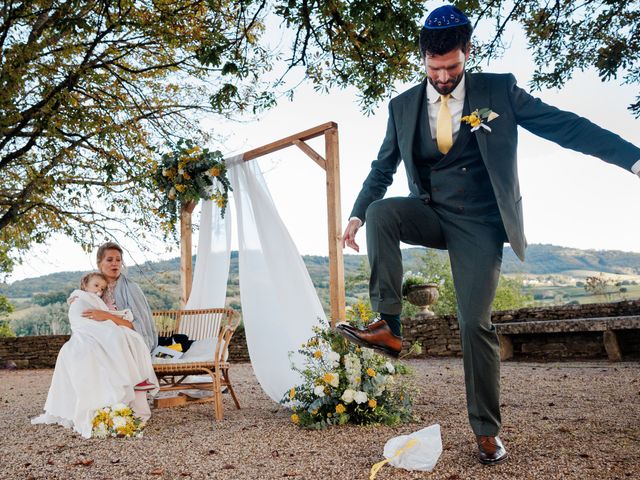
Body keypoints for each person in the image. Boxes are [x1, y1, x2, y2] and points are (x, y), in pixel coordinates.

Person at [337, 5, 640, 465]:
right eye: (435, 69)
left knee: (474, 323)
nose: (443, 77)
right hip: (432, 213)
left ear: (468, 54)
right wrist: (357, 214)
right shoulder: (402, 106)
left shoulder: (498, 90)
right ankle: (390, 327)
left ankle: (485, 431)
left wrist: (632, 158)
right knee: (381, 213)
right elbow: (383, 168)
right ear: (422, 59)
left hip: (479, 223)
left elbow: (566, 127)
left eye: (453, 68)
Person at [32, 272, 159, 438]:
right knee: (105, 341)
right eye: (96, 286)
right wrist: (107, 329)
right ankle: (99, 405)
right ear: (85, 285)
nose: (99, 290)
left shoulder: (98, 301)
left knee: (121, 337)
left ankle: (116, 402)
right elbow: (81, 320)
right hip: (85, 334)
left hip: (97, 332)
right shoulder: (79, 300)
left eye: (102, 288)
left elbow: (105, 317)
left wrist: (111, 324)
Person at [93, 241, 158, 352]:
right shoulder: (92, 287)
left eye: (118, 260)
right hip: (98, 336)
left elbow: (139, 327)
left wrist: (106, 316)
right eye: (109, 260)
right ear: (99, 264)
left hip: (125, 340)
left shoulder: (132, 288)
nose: (115, 263)